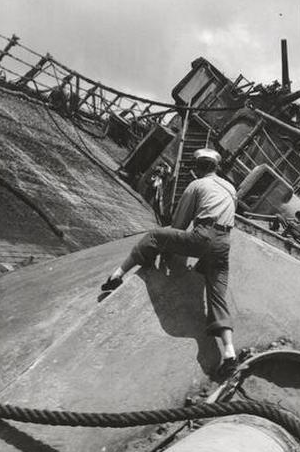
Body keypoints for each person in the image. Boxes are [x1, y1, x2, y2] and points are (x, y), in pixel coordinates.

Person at [102, 148, 240, 377]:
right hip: (224, 243)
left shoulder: (196, 186)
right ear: (216, 167)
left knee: (155, 236)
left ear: (198, 168)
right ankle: (229, 353)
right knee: (216, 294)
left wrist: (168, 249)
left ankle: (115, 276)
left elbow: (179, 224)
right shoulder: (231, 188)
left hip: (203, 236)